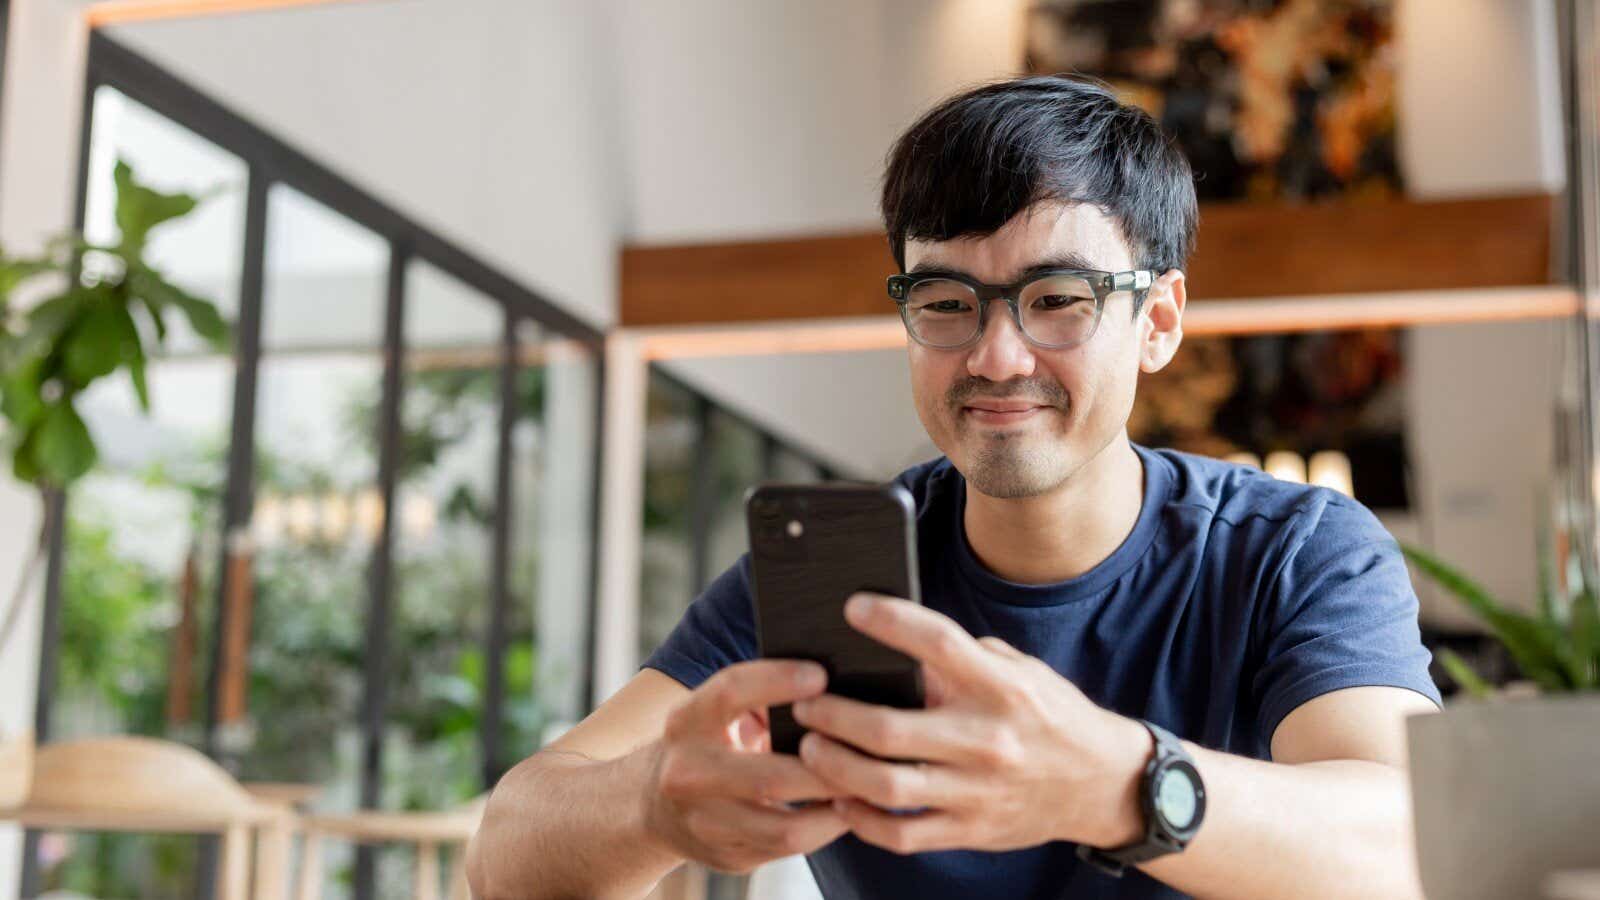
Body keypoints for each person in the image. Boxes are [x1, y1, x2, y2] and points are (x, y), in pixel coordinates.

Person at [467, 74, 1442, 900]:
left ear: (1157, 320)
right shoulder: (842, 571)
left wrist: (1115, 782)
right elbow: (503, 852)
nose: (996, 355)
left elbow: (1414, 845)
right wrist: (651, 804)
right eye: (944, 302)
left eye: (1057, 299)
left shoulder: (1291, 548)